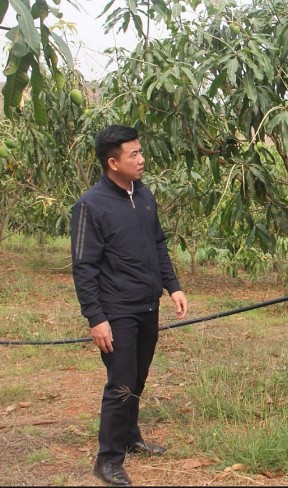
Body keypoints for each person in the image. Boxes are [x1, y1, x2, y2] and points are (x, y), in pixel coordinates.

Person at [71, 125, 188, 486]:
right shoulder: (91, 206)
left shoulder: (143, 194)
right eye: (133, 154)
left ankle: (131, 436)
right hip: (116, 309)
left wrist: (173, 287)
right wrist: (96, 318)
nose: (142, 159)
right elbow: (83, 266)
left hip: (147, 305)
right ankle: (107, 459)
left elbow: (158, 243)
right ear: (112, 162)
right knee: (120, 383)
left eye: (140, 151)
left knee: (137, 375)